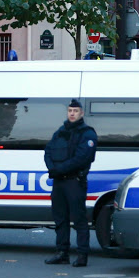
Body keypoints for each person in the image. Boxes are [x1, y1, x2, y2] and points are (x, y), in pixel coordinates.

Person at [44, 99, 97, 267]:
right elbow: (48, 151)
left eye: (75, 111)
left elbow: (82, 158)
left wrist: (59, 170)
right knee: (60, 218)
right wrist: (52, 168)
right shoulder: (61, 131)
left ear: (81, 113)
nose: (72, 113)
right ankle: (62, 253)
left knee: (79, 219)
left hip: (75, 182)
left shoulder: (87, 133)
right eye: (70, 111)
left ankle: (82, 255)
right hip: (59, 182)